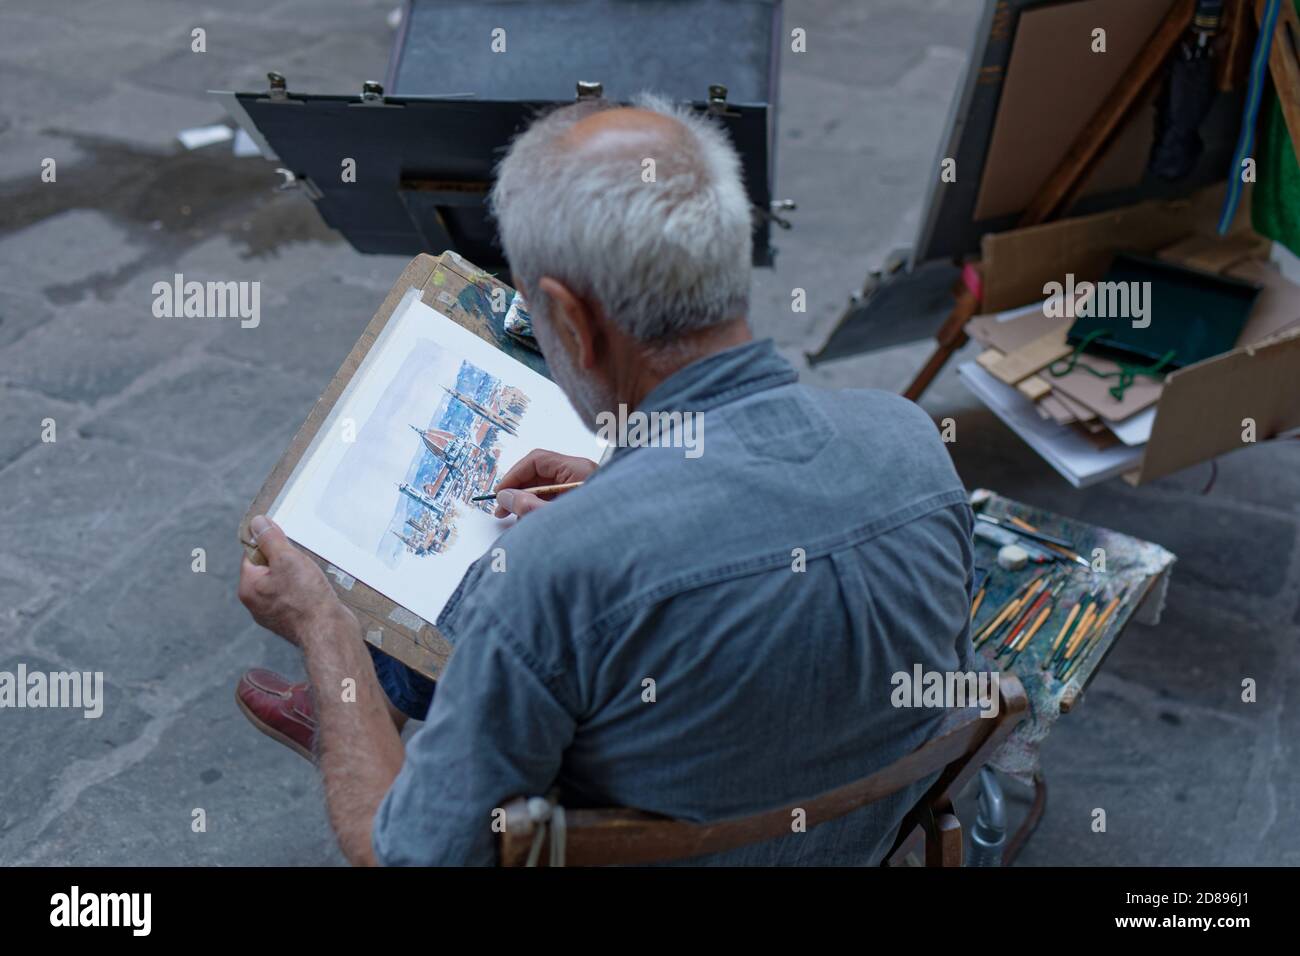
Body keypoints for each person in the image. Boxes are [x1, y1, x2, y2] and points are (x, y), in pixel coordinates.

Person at [236, 94, 975, 865]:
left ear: (574, 323)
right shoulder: (909, 442)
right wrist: (628, 494)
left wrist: (324, 628)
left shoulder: (546, 577)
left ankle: (353, 719)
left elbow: (405, 861)